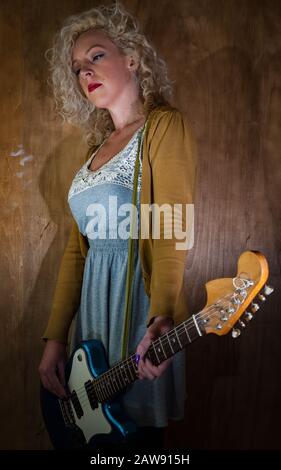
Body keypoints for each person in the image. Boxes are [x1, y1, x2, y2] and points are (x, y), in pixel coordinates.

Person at [38, 0, 197, 452]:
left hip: (142, 313)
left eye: (96, 55)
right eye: (76, 68)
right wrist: (55, 339)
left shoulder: (164, 127)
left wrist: (163, 315)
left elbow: (172, 225)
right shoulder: (94, 151)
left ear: (131, 57)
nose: (84, 71)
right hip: (91, 322)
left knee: (137, 448)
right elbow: (76, 252)